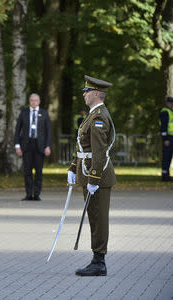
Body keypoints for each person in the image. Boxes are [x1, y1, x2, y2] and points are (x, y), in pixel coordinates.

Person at [67, 75, 117, 277]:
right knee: (94, 217)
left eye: (87, 91)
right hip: (88, 174)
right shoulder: (93, 114)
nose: (84, 94)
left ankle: (99, 262)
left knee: (98, 219)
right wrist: (73, 167)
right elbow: (83, 146)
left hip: (96, 176)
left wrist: (94, 179)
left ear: (96, 94)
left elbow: (99, 152)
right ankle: (97, 259)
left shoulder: (98, 117)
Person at [14, 93, 51, 201]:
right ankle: (29, 194)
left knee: (39, 171)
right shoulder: (24, 113)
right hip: (26, 145)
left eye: (36, 100)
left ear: (39, 102)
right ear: (29, 101)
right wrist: (17, 145)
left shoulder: (44, 113)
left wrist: (48, 146)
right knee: (27, 171)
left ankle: (37, 193)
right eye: (32, 100)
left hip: (40, 146)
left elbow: (48, 131)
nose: (34, 102)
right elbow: (17, 130)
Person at [159, 97, 172, 182]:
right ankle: (165, 176)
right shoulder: (165, 111)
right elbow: (163, 126)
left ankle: (167, 175)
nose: (172, 104)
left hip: (171, 137)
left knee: (169, 157)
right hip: (168, 138)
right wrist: (165, 139)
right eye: (170, 103)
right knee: (166, 157)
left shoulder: (170, 111)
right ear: (167, 103)